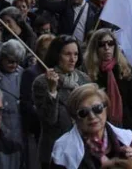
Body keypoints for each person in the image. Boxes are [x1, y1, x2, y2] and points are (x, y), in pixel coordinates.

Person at [50, 83, 132, 168]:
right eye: (83, 113)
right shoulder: (63, 149)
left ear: (106, 109)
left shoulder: (128, 139)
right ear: (75, 117)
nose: (92, 116)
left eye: (97, 108)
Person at [33, 35, 91, 169]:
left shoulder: (84, 79)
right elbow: (49, 121)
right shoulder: (42, 82)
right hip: (56, 151)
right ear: (57, 55)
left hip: (82, 149)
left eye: (76, 54)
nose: (73, 59)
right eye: (67, 54)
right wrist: (52, 91)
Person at [84, 29, 132, 144]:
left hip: (126, 125)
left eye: (110, 43)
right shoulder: (88, 74)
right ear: (95, 48)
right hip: (100, 129)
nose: (107, 48)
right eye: (102, 44)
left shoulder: (125, 70)